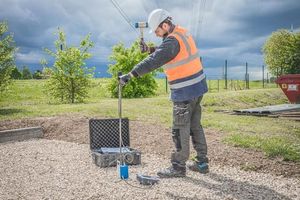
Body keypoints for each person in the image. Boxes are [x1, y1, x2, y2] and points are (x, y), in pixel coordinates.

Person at [119, 9, 209, 178]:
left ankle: (178, 167)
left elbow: (155, 60)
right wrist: (149, 49)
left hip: (184, 91)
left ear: (165, 25)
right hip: (198, 88)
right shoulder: (182, 33)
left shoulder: (171, 41)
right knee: (195, 126)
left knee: (179, 128)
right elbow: (167, 52)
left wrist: (130, 75)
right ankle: (202, 162)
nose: (158, 34)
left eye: (159, 31)